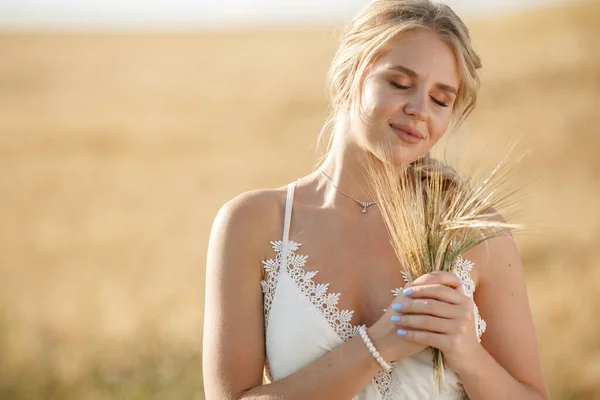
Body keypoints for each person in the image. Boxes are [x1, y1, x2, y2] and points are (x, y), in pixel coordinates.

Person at [202, 0, 549, 398]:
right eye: (400, 84)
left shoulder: (475, 233)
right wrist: (378, 345)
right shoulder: (253, 224)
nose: (419, 110)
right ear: (345, 81)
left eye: (441, 99)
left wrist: (468, 354)